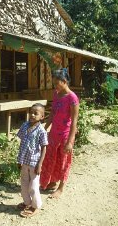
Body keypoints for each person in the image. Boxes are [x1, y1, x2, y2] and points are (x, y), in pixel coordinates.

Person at [40, 68, 79, 198]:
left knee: (63, 161)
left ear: (64, 81)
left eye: (57, 83)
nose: (55, 86)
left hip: (65, 136)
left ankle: (61, 188)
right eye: (54, 83)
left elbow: (74, 121)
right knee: (50, 158)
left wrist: (70, 141)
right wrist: (44, 128)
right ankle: (52, 182)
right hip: (53, 134)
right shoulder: (56, 94)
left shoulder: (72, 98)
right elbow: (52, 113)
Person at [16, 103, 48, 218]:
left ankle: (35, 206)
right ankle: (27, 203)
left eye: (36, 113)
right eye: (31, 112)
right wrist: (19, 160)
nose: (33, 115)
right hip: (24, 161)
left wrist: (40, 164)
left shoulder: (41, 131)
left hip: (34, 164)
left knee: (33, 186)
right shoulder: (24, 125)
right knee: (24, 184)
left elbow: (44, 147)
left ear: (42, 117)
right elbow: (22, 143)